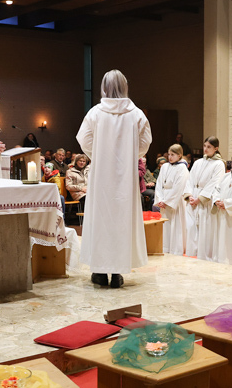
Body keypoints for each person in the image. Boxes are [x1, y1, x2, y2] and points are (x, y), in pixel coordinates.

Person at [76, 70, 152, 288]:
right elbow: (145, 143)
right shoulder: (136, 114)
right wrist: (128, 155)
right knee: (121, 220)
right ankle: (117, 273)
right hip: (124, 177)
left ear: (103, 87)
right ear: (125, 87)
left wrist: (100, 154)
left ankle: (100, 272)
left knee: (101, 219)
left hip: (101, 175)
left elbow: (83, 139)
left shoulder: (95, 113)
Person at [185, 136, 224, 259]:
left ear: (216, 148)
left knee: (206, 230)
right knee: (192, 227)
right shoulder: (198, 162)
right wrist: (190, 195)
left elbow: (215, 183)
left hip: (205, 200)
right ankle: (193, 254)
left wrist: (200, 199)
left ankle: (205, 256)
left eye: (209, 147)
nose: (205, 149)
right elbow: (190, 179)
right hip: (194, 197)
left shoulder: (219, 164)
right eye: (205, 146)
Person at [154, 144, 189, 255]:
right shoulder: (165, 166)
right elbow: (159, 184)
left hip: (175, 201)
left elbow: (179, 187)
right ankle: (165, 247)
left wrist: (167, 201)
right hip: (164, 199)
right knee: (166, 225)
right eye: (169, 154)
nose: (170, 157)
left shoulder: (182, 168)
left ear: (179, 155)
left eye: (173, 155)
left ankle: (176, 249)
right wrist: (160, 199)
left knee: (175, 224)